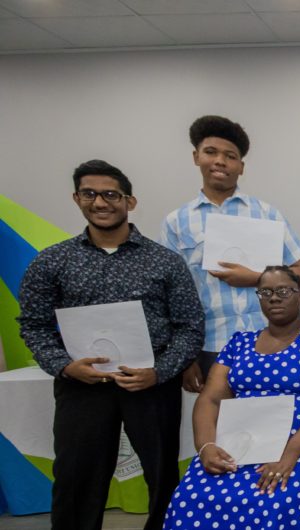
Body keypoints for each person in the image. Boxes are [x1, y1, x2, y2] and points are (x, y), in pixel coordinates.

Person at [17, 160, 204, 530]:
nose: (100, 202)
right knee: (76, 477)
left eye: (111, 195)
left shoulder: (165, 262)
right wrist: (65, 366)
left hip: (151, 384)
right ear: (77, 198)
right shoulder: (52, 261)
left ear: (129, 202)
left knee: (163, 475)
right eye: (90, 193)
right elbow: (34, 326)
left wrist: (159, 372)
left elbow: (190, 327)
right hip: (82, 385)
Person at [164, 266, 300, 529]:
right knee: (191, 497)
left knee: (274, 500)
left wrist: (289, 454)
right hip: (244, 439)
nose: (274, 298)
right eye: (266, 292)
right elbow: (210, 398)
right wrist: (206, 446)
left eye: (284, 291)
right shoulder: (239, 343)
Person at [161, 115, 300, 392]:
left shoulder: (267, 214)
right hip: (210, 344)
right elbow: (170, 295)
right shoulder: (176, 222)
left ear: (241, 166)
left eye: (230, 156)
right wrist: (185, 357)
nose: (220, 161)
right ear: (196, 157)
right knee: (216, 415)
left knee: (273, 414)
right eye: (211, 152)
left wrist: (256, 278)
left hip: (271, 337)